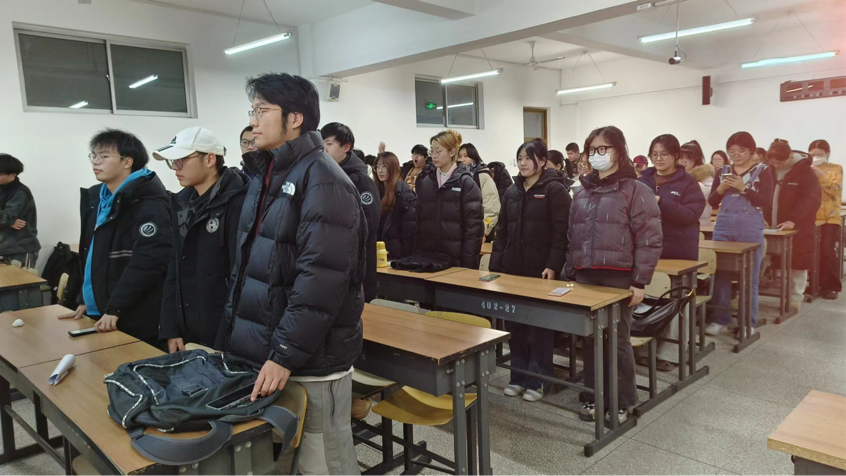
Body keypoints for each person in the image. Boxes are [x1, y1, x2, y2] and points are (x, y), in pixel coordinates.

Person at [217, 73, 365, 475]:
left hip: (310, 360)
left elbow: (321, 281)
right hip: (268, 351)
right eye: (252, 111)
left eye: (262, 111)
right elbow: (250, 268)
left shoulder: (324, 181)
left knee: (324, 463)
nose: (253, 121)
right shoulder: (267, 175)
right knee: (286, 462)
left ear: (295, 118)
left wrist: (284, 352)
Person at [566, 126, 662, 423]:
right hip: (586, 276)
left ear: (618, 151)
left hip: (619, 278)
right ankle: (592, 395)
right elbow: (572, 236)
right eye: (592, 150)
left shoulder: (636, 190)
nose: (596, 155)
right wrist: (571, 272)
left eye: (603, 149)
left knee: (617, 341)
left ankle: (622, 400)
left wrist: (640, 282)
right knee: (590, 340)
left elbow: (649, 239)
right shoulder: (582, 192)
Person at [59, 129, 172, 347]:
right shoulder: (98, 198)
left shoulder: (148, 203)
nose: (96, 161)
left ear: (127, 161)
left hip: (133, 315)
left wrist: (116, 308)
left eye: (104, 156)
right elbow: (93, 255)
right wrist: (87, 299)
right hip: (105, 310)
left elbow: (147, 263)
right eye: (94, 155)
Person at [153, 126, 248, 353]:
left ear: (210, 159)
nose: (175, 168)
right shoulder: (183, 204)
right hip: (189, 331)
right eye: (172, 162)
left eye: (182, 160)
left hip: (225, 335)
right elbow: (175, 270)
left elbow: (241, 278)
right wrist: (171, 328)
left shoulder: (239, 202)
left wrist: (225, 340)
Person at [491, 139, 570, 402]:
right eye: (520, 158)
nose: (523, 163)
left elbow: (562, 234)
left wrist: (553, 266)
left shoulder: (555, 190)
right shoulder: (512, 191)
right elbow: (502, 231)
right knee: (515, 326)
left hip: (540, 270)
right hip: (513, 269)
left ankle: (539, 380)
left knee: (538, 328)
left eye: (528, 158)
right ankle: (517, 377)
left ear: (543, 161)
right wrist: (496, 265)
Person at [638, 134, 705, 371]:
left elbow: (691, 215)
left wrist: (661, 202)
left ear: (676, 155)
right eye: (654, 154)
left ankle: (669, 353)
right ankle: (644, 347)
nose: (658, 159)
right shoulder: (642, 180)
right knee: (648, 299)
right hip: (648, 249)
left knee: (677, 302)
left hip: (678, 252)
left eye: (664, 154)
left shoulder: (688, 182)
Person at [705, 132, 773, 336]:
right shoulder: (723, 171)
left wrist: (743, 188)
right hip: (724, 223)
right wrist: (720, 189)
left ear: (751, 151)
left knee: (749, 276)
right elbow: (712, 202)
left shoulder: (763, 170)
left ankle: (747, 323)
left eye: (741, 151)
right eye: (732, 151)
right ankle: (720, 319)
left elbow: (766, 201)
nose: (736, 155)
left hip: (749, 224)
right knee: (720, 273)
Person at [321, 122, 380, 303]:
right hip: (330, 264)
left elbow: (368, 225)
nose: (324, 149)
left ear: (346, 147)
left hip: (355, 267)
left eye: (329, 144)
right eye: (321, 144)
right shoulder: (325, 176)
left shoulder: (360, 181)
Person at [764, 140, 822, 312]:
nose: (776, 165)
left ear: (789, 156)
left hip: (798, 226)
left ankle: (796, 297)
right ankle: (757, 292)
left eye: (779, 162)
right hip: (771, 225)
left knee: (798, 262)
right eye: (772, 162)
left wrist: (794, 220)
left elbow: (811, 200)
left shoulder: (805, 172)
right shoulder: (768, 170)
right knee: (766, 256)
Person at [414, 129, 484, 268]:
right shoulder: (427, 182)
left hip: (456, 260)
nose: (434, 156)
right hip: (429, 259)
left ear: (452, 152)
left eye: (438, 151)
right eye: (432, 151)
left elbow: (473, 229)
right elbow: (419, 222)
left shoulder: (466, 183)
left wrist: (468, 264)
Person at [809, 140, 842, 299]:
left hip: (830, 216)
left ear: (827, 154)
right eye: (813, 155)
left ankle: (831, 286)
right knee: (812, 252)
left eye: (820, 155)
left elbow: (835, 190)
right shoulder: (806, 169)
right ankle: (814, 284)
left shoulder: (836, 168)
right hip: (812, 216)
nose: (816, 158)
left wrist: (820, 175)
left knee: (827, 251)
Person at [373, 151, 416, 259]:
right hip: (381, 250)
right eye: (377, 166)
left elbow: (409, 229)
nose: (380, 170)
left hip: (397, 254)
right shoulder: (377, 190)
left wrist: (404, 257)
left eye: (384, 166)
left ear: (393, 168)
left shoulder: (403, 193)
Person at [0, 154, 40, 267]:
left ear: (12, 174)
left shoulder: (20, 192)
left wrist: (7, 221)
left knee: (22, 279)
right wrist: (7, 222)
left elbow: (6, 217)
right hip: (5, 248)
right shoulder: (2, 188)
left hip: (19, 249)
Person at [458, 143, 500, 240]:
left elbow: (491, 206)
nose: (462, 159)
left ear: (474, 158)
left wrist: (484, 230)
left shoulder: (483, 176)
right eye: (459, 156)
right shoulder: (457, 176)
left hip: (478, 233)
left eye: (466, 156)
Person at [678, 140, 715, 227]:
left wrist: (690, 181)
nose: (684, 161)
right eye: (681, 158)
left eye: (688, 158)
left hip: (700, 222)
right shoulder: (675, 175)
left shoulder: (705, 174)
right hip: (679, 222)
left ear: (696, 159)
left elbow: (710, 196)